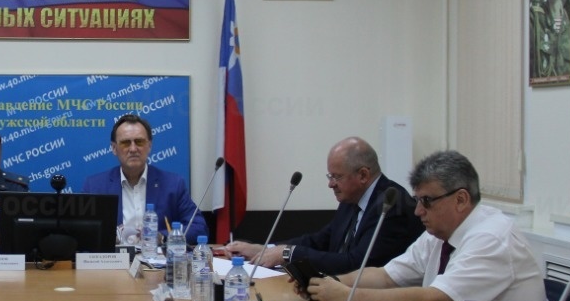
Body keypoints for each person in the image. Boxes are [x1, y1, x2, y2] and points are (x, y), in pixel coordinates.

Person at [306, 150, 550, 301]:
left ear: (461, 199)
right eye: (417, 200)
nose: (418, 211)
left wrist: (346, 296)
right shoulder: (439, 233)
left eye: (427, 201)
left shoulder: (491, 238)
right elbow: (386, 276)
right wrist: (328, 284)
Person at [224, 137, 422, 274]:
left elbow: (358, 264)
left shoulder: (391, 206)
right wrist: (265, 249)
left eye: (337, 177)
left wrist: (288, 253)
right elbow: (321, 240)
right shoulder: (352, 199)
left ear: (363, 175)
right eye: (330, 176)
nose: (330, 184)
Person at [81, 114, 209, 246]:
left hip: (156, 257)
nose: (133, 149)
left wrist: (162, 237)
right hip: (115, 258)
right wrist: (106, 237)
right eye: (125, 143)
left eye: (139, 142)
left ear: (149, 146)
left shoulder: (173, 184)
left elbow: (199, 228)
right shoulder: (94, 186)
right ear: (114, 148)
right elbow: (82, 233)